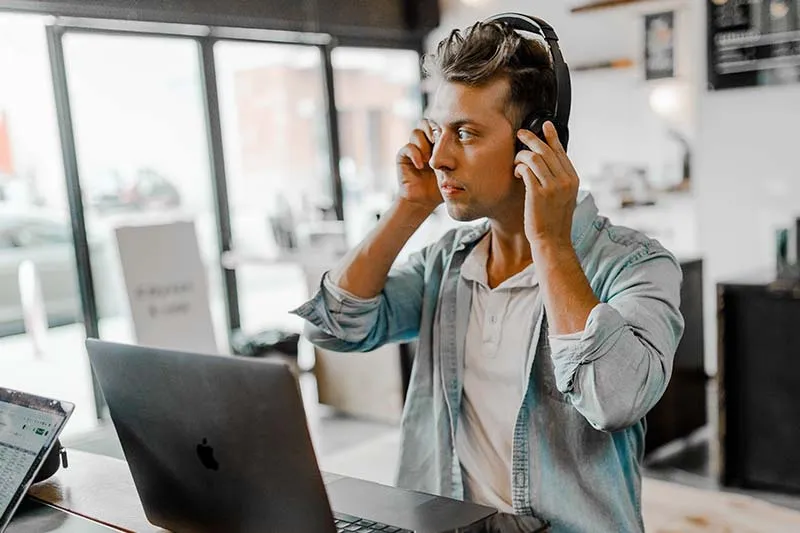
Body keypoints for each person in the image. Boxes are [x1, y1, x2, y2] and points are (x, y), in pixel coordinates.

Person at [292, 15, 684, 533]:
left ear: (535, 145)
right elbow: (333, 328)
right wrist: (408, 209)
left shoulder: (635, 265)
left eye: (466, 134)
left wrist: (549, 241)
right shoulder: (447, 261)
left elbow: (614, 400)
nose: (439, 158)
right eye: (437, 132)